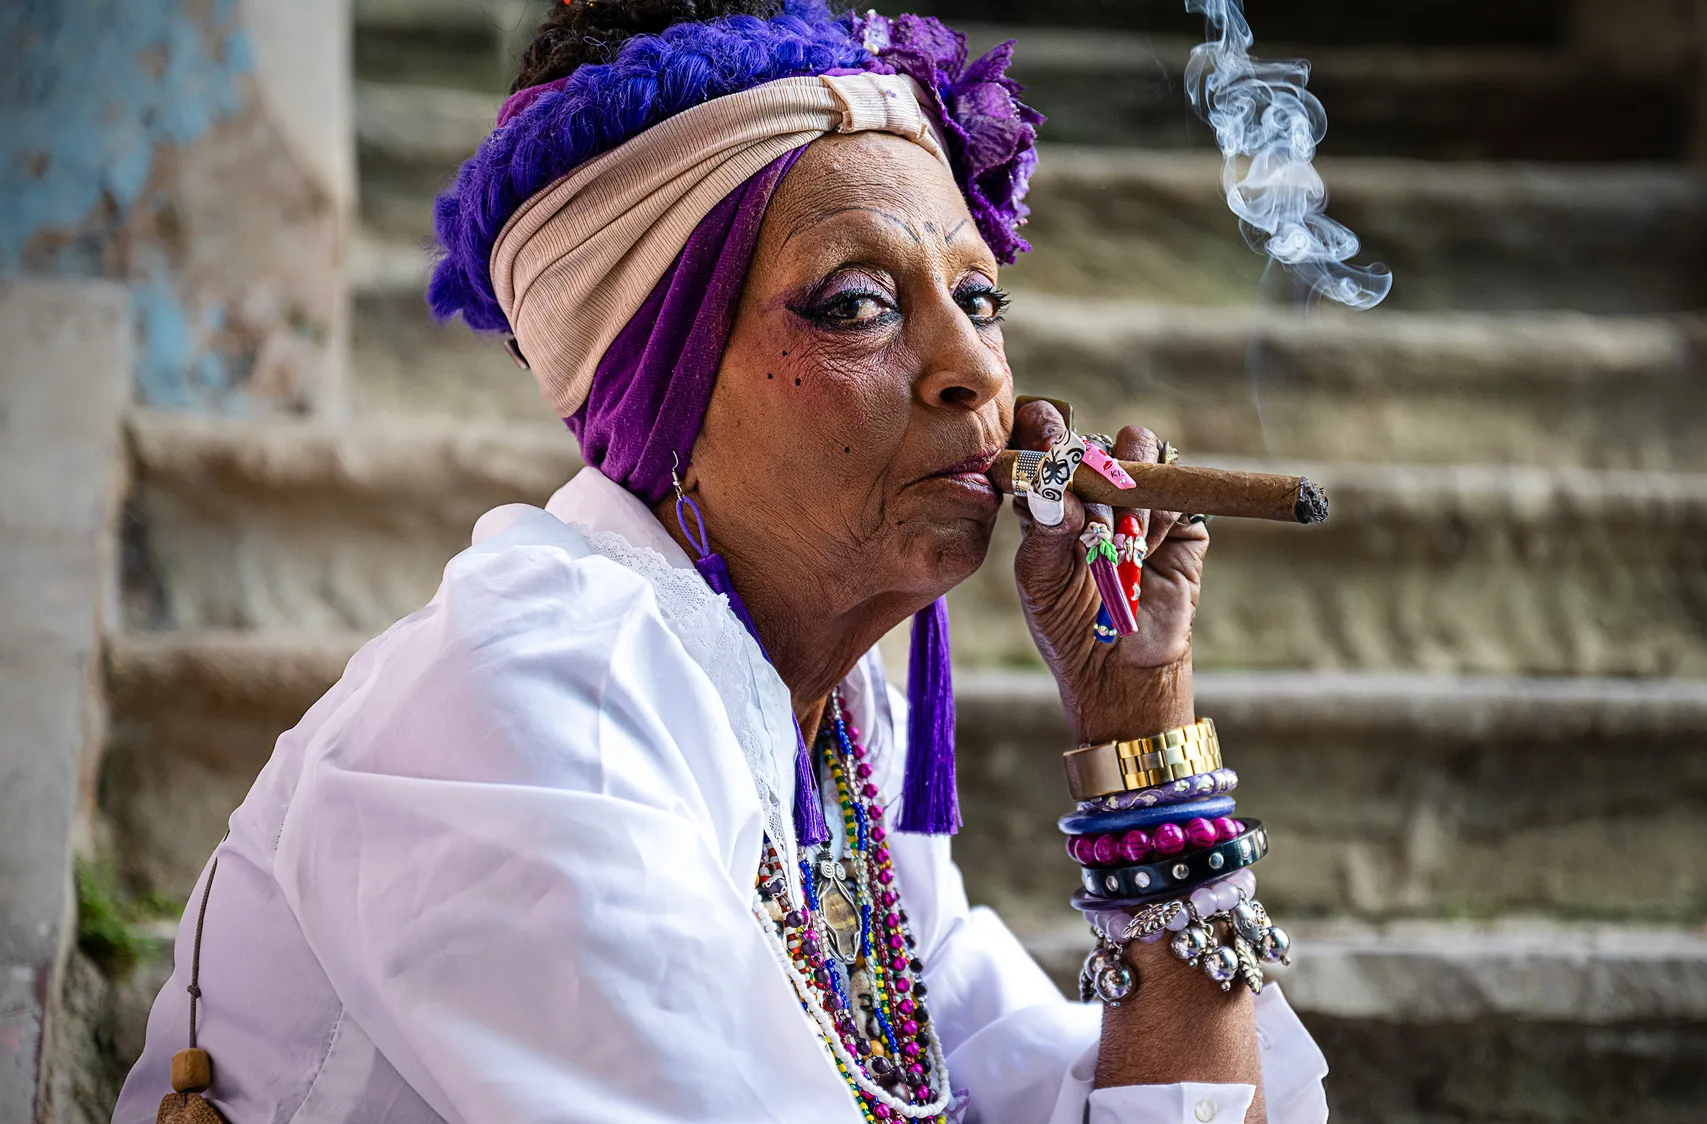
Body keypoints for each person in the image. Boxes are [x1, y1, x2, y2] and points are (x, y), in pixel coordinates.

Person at [113, 3, 1328, 1121]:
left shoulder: (838, 731)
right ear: (665, 386)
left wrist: (1138, 715)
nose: (975, 369)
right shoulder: (542, 700)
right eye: (856, 304)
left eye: (979, 295)